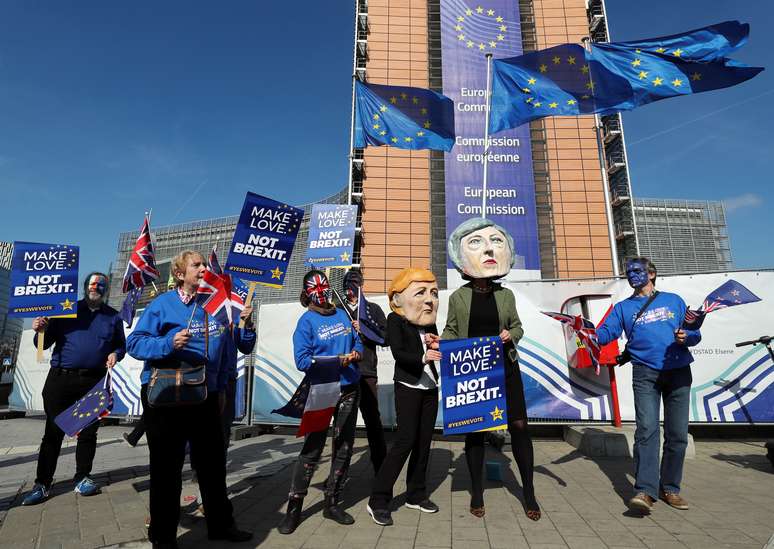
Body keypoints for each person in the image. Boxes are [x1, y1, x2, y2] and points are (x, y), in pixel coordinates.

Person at [126, 250, 251, 548]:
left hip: (204, 395)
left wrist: (220, 388)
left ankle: (221, 526)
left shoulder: (215, 305)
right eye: (197, 265)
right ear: (181, 274)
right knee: (166, 470)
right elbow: (134, 343)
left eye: (205, 264)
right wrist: (168, 342)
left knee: (212, 465)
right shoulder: (163, 304)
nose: (204, 268)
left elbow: (223, 353)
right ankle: (163, 536)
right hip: (165, 397)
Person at [442, 217, 540, 521]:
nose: (488, 251)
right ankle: (476, 492)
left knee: (520, 427)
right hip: (473, 373)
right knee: (475, 433)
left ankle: (529, 493)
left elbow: (517, 327)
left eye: (495, 243)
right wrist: (439, 342)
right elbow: (451, 331)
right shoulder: (458, 297)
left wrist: (512, 335)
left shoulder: (506, 295)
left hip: (505, 369)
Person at [596, 257, 700, 513]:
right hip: (644, 374)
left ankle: (671, 489)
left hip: (678, 372)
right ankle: (645, 490)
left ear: (651, 274)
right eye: (628, 272)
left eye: (637, 271)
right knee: (646, 431)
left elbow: (695, 333)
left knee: (677, 435)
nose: (631, 275)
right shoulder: (622, 308)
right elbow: (604, 333)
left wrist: (688, 336)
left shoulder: (673, 300)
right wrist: (584, 333)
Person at [22, 273, 125, 505]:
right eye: (92, 284)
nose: (96, 287)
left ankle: (82, 478)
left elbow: (121, 345)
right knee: (53, 434)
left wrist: (115, 354)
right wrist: (39, 329)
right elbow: (44, 343)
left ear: (106, 289)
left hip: (94, 382)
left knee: (89, 433)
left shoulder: (113, 317)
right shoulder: (65, 309)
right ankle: (42, 483)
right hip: (61, 381)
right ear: (85, 287)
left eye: (101, 285)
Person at [278, 270, 363, 535]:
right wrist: (338, 360)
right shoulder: (306, 322)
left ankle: (333, 502)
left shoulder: (341, 314)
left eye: (325, 286)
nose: (323, 292)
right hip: (323, 391)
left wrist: (357, 351)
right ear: (308, 292)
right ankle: (294, 508)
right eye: (317, 288)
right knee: (312, 448)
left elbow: (357, 340)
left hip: (349, 389)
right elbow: (302, 361)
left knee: (344, 447)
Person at [367, 268, 441, 526]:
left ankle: (416, 494)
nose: (430, 299)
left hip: (431, 386)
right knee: (405, 441)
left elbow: (431, 343)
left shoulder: (428, 320)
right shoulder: (395, 320)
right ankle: (378, 499)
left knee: (424, 442)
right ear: (398, 299)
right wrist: (423, 356)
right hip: (408, 385)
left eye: (433, 292)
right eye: (420, 292)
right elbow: (398, 353)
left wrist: (434, 343)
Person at [338, 268, 387, 474]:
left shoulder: (372, 309)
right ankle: (337, 473)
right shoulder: (337, 311)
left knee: (372, 421)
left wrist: (364, 330)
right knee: (342, 425)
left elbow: (386, 336)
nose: (353, 287)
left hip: (366, 372)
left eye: (357, 283)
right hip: (343, 374)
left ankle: (382, 470)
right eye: (349, 283)